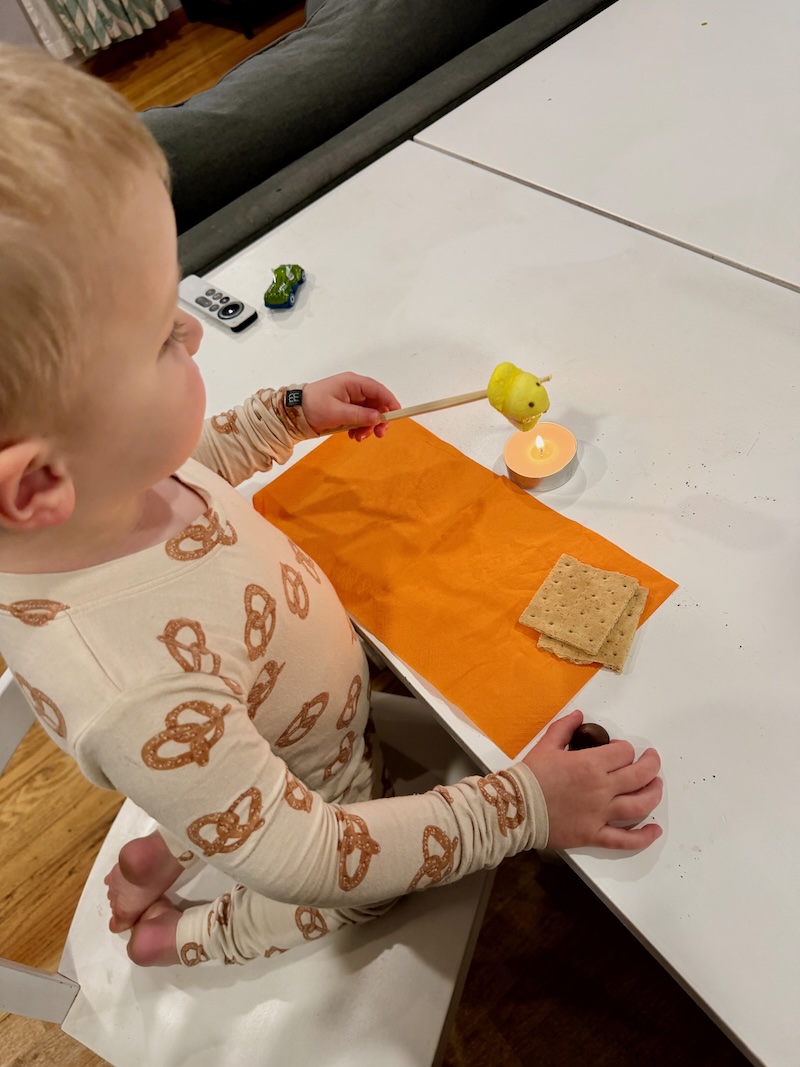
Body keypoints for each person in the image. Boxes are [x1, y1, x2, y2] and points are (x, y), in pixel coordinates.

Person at [0, 45, 662, 969]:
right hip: (324, 795)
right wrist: (527, 808)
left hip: (278, 734)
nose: (193, 326)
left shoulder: (95, 491)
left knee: (225, 798)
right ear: (35, 485)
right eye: (161, 335)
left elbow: (197, 463)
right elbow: (314, 857)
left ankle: (183, 836)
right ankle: (179, 937)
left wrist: (289, 414)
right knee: (359, 890)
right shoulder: (132, 690)